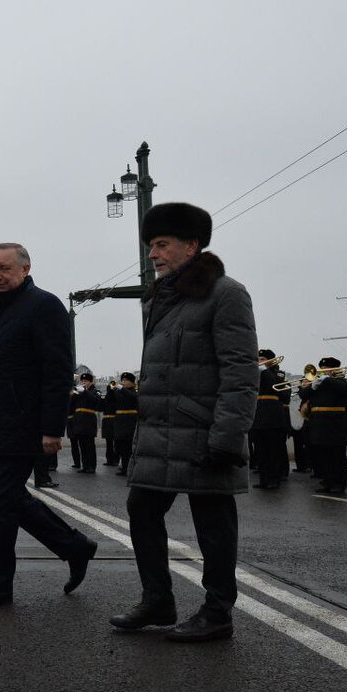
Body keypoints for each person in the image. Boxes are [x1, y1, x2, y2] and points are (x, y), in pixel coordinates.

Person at [111, 202, 257, 642]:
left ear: (191, 246)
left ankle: (217, 612)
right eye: (151, 246)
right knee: (141, 509)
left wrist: (227, 437)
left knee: (213, 524)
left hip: (204, 431)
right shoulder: (163, 297)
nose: (152, 254)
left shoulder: (226, 293)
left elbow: (240, 371)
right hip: (161, 431)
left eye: (162, 245)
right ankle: (158, 599)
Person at [0, 242, 98, 609]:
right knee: (11, 500)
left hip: (24, 423)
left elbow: (57, 371)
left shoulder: (44, 306)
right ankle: (76, 547)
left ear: (25, 268)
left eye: (4, 268)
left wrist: (52, 428)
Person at [298, 357, 347, 494]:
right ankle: (327, 482)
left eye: (326, 368)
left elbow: (345, 390)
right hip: (318, 424)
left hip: (335, 424)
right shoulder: (317, 383)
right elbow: (302, 394)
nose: (323, 370)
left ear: (335, 369)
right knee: (323, 455)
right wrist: (312, 386)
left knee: (337, 456)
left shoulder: (341, 381)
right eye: (322, 368)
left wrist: (328, 380)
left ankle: (339, 483)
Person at [251, 350, 291, 489]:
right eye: (258, 359)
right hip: (258, 415)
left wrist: (265, 372)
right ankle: (264, 479)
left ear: (271, 361)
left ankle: (274, 479)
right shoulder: (254, 373)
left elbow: (284, 395)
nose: (259, 361)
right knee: (260, 450)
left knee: (274, 450)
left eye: (262, 359)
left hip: (273, 416)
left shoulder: (278, 374)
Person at [68, 373, 100, 474]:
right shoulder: (79, 393)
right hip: (79, 421)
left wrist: (85, 391)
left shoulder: (95, 391)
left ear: (91, 382)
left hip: (89, 420)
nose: (83, 383)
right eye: (82, 381)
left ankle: (92, 466)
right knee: (82, 445)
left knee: (90, 445)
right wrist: (72, 394)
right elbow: (71, 404)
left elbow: (96, 400)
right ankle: (85, 466)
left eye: (85, 381)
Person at [112, 372, 139, 476]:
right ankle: (124, 467)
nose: (123, 382)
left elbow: (133, 397)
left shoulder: (134, 392)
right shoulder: (120, 392)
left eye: (126, 380)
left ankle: (128, 468)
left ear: (132, 383)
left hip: (129, 422)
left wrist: (122, 389)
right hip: (120, 422)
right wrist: (112, 389)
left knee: (128, 446)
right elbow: (110, 401)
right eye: (122, 380)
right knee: (120, 446)